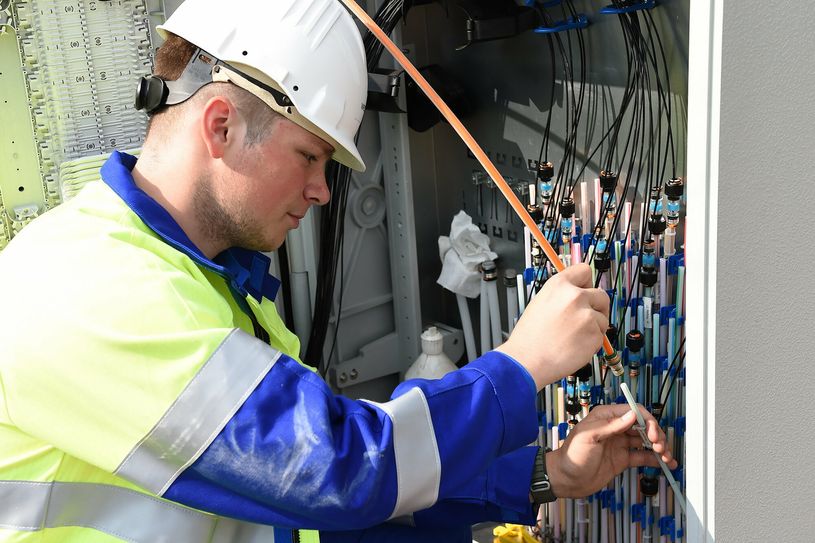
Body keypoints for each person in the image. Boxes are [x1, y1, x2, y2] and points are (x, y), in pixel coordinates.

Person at [0, 0, 675, 542]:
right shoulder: (88, 287)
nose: (322, 191)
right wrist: (520, 363)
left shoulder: (207, 285)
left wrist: (543, 473)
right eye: (309, 156)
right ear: (220, 126)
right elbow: (338, 473)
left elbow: (300, 508)